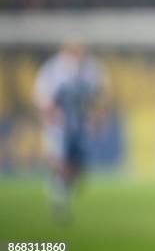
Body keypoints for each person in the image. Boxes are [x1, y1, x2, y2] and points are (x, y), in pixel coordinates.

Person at [33, 40, 108, 222]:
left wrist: (98, 118)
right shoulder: (52, 70)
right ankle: (59, 196)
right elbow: (41, 96)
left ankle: (61, 186)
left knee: (78, 168)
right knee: (62, 161)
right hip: (61, 125)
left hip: (80, 125)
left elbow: (100, 95)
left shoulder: (91, 69)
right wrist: (49, 116)